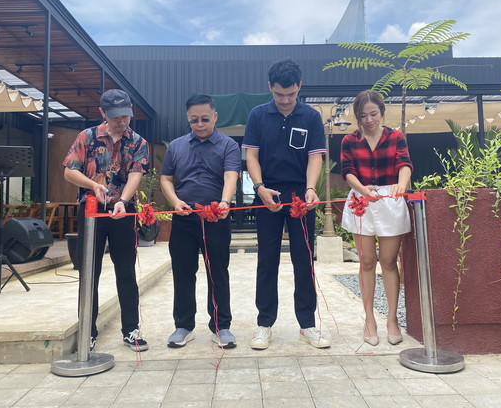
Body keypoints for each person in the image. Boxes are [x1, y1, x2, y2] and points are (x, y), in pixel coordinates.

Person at [242, 58, 330, 350]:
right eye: (279, 94)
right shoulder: (257, 115)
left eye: (290, 95)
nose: (285, 100)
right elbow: (251, 156)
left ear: (299, 88)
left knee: (303, 259)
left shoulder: (311, 117)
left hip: (299, 196)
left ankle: (307, 323)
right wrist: (259, 188)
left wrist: (310, 189)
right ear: (270, 87)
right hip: (266, 193)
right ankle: (264, 323)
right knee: (266, 260)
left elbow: (314, 157)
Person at [63, 89, 149, 352]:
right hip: (91, 213)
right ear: (102, 113)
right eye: (115, 117)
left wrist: (123, 199)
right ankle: (87, 330)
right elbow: (69, 171)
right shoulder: (86, 137)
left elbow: (135, 174)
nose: (122, 121)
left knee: (126, 271)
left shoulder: (138, 142)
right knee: (89, 273)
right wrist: (92, 185)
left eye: (126, 115)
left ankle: (131, 330)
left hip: (123, 212)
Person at [160, 94, 241, 349]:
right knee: (183, 272)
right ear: (188, 118)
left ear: (215, 117)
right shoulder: (176, 146)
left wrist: (225, 202)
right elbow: (166, 179)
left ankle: (221, 326)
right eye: (194, 120)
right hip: (184, 219)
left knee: (218, 272)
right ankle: (183, 326)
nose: (200, 124)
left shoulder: (229, 145)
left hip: (216, 218)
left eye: (205, 119)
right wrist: (174, 202)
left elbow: (231, 176)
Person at [340, 89, 412, 346]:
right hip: (362, 199)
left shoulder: (396, 137)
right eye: (363, 116)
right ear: (357, 117)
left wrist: (402, 185)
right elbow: (347, 171)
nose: (369, 120)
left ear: (381, 112)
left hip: (391, 200)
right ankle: (369, 319)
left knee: (389, 261)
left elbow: (405, 164)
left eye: (373, 114)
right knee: (367, 261)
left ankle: (391, 319)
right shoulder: (349, 140)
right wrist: (362, 190)